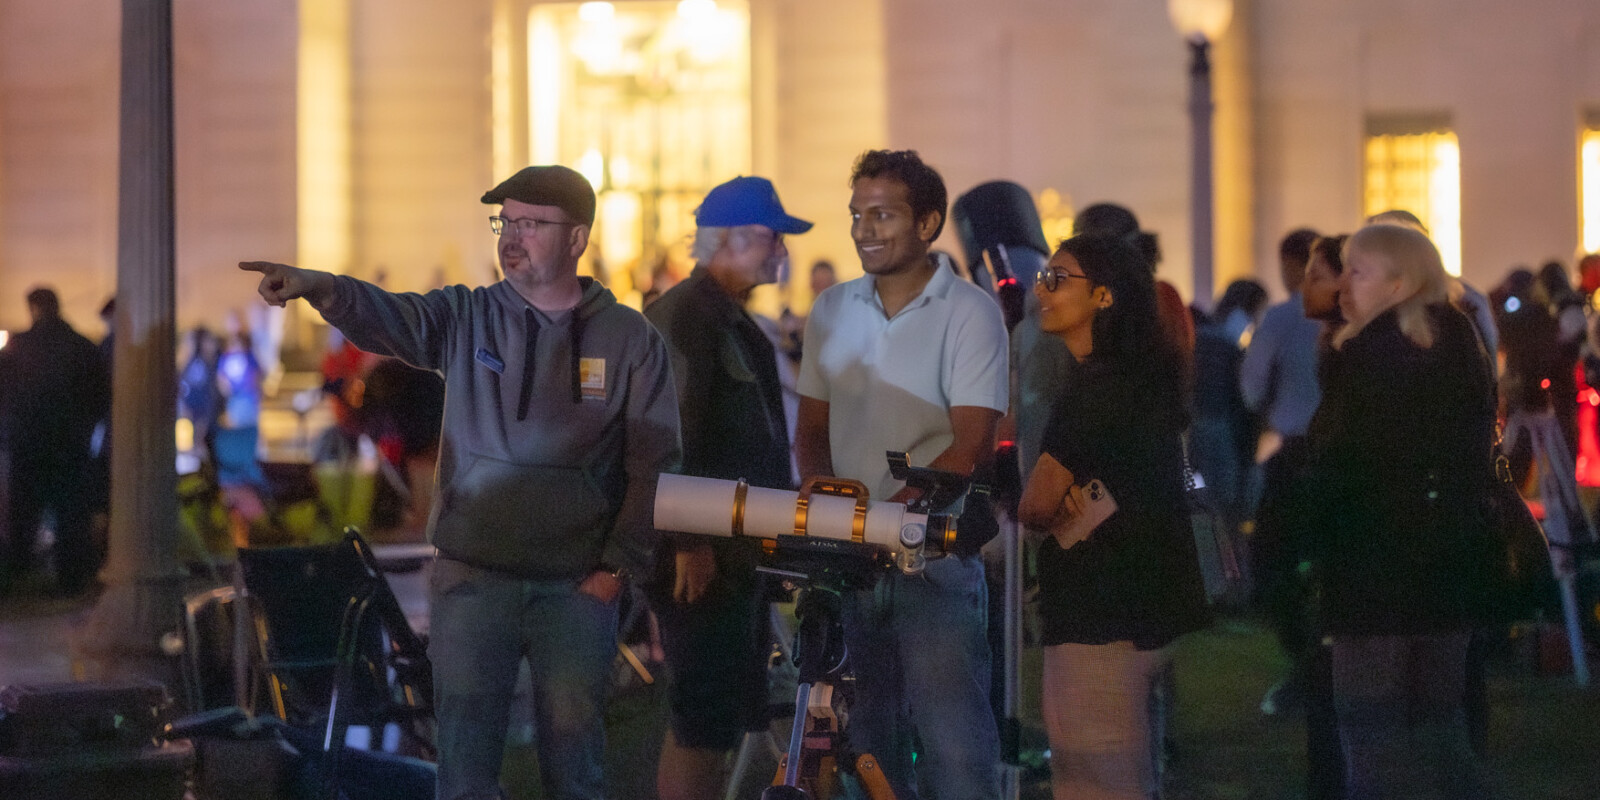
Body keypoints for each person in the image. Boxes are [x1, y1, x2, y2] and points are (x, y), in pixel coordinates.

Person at [240, 164, 682, 800]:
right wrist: (323, 288)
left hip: (576, 589)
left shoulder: (630, 339)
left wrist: (616, 569)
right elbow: (392, 316)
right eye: (506, 222)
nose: (513, 237)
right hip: (473, 583)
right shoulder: (468, 315)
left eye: (532, 224)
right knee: (464, 772)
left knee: (575, 772)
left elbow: (656, 462)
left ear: (577, 238)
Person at [795, 149, 1007, 799]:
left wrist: (885, 517)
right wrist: (825, 500)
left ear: (928, 223)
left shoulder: (970, 312)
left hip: (932, 554)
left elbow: (972, 442)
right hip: (850, 557)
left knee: (953, 740)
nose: (864, 229)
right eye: (857, 214)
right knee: (868, 739)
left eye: (882, 215)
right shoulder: (831, 308)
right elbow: (811, 429)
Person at [1304, 223, 1497, 799]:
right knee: (1439, 732)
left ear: (1399, 282)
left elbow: (1342, 468)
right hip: (1450, 567)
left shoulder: (1369, 355)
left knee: (1375, 737)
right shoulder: (1460, 342)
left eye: (1356, 271)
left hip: (1374, 571)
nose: (1341, 286)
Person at [1016, 235, 1211, 799]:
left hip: (1097, 615)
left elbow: (1035, 504)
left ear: (1104, 295)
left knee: (1094, 780)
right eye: (1043, 278)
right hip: (1147, 609)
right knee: (1131, 774)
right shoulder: (1144, 378)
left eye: (1058, 280)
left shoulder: (1094, 388)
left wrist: (1051, 507)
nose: (1041, 291)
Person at [642, 175, 812, 800]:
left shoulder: (725, 318)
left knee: (718, 717)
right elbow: (667, 434)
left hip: (730, 553)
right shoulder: (688, 317)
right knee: (703, 717)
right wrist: (690, 542)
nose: (782, 252)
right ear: (733, 240)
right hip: (703, 557)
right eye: (773, 238)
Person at [0, 287, 111, 597]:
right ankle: (72, 581)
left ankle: (17, 580)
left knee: (23, 516)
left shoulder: (18, 347)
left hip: (28, 445)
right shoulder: (82, 347)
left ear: (33, 308)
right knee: (71, 516)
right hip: (71, 446)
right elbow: (101, 396)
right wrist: (84, 429)